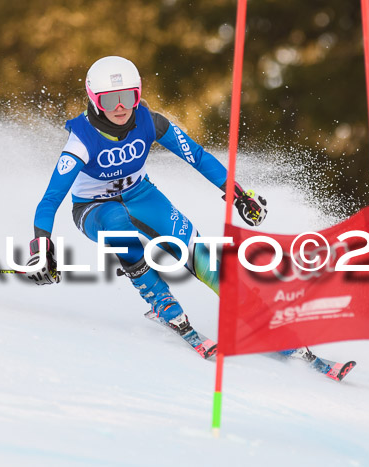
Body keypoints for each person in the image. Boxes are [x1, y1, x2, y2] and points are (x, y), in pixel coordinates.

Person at [26, 56, 267, 336]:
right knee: (117, 222)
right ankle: (161, 300)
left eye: (128, 97)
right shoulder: (81, 141)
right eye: (109, 100)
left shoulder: (150, 122)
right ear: (94, 100)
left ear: (138, 94)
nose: (120, 107)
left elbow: (197, 156)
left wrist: (237, 193)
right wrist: (41, 247)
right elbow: (51, 199)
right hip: (93, 209)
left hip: (141, 194)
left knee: (193, 247)